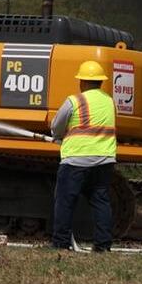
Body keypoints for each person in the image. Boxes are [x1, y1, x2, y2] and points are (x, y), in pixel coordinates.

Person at [49, 60, 119, 252]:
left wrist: (58, 136)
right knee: (101, 201)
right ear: (100, 82)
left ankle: (61, 243)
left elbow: (56, 126)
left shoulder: (75, 101)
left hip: (76, 159)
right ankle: (103, 246)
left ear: (83, 82)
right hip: (104, 159)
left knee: (65, 201)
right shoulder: (110, 102)